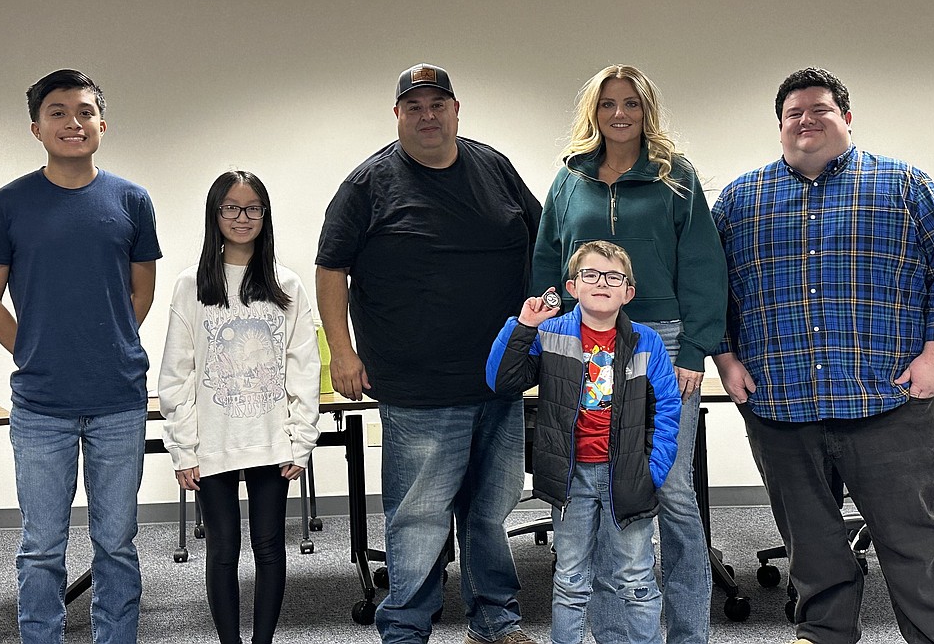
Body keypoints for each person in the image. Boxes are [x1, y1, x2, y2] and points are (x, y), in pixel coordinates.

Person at [711, 67, 934, 644]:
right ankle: (825, 635)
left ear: (846, 118)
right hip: (781, 406)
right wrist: (726, 360)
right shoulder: (740, 198)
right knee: (811, 547)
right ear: (780, 126)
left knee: (918, 543)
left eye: (820, 109)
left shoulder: (904, 185)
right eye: (793, 114)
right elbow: (712, 288)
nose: (805, 120)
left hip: (888, 400)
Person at [315, 63, 542, 644]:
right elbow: (330, 268)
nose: (427, 115)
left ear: (456, 108)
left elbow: (544, 245)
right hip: (417, 385)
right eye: (413, 106)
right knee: (418, 518)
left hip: (499, 379)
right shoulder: (369, 185)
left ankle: (495, 619)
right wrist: (342, 353)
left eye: (437, 103)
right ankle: (406, 628)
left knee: (491, 515)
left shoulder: (494, 168)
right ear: (397, 115)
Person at [531, 65, 726, 644]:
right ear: (593, 111)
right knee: (603, 481)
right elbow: (549, 261)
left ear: (647, 112)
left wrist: (695, 347)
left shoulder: (676, 178)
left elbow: (702, 267)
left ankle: (689, 632)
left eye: (632, 104)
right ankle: (617, 634)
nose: (620, 114)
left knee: (670, 490)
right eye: (609, 103)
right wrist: (549, 337)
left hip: (661, 340)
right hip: (587, 341)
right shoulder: (569, 180)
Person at [0, 69, 161, 644]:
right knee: (42, 546)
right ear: (36, 127)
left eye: (84, 112)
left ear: (102, 123)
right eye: (57, 112)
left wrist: (106, 345)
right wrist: (37, 350)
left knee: (117, 543)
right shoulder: (7, 204)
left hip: (118, 400)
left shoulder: (131, 199)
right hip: (41, 405)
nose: (72, 123)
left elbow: (141, 293)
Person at [488, 241, 681, 644]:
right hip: (571, 478)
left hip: (627, 476)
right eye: (590, 275)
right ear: (573, 287)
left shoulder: (647, 342)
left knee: (636, 578)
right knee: (571, 579)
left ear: (628, 292)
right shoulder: (552, 333)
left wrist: (653, 471)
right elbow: (502, 381)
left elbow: (666, 411)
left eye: (614, 277)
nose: (601, 283)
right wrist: (523, 325)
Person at [158, 170, 321, 644]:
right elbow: (176, 374)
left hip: (272, 441)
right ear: (215, 214)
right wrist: (182, 448)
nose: (242, 217)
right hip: (213, 443)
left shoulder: (285, 283)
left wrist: (301, 437)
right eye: (231, 207)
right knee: (223, 550)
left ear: (265, 216)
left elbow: (303, 368)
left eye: (253, 208)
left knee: (270, 547)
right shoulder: (191, 286)